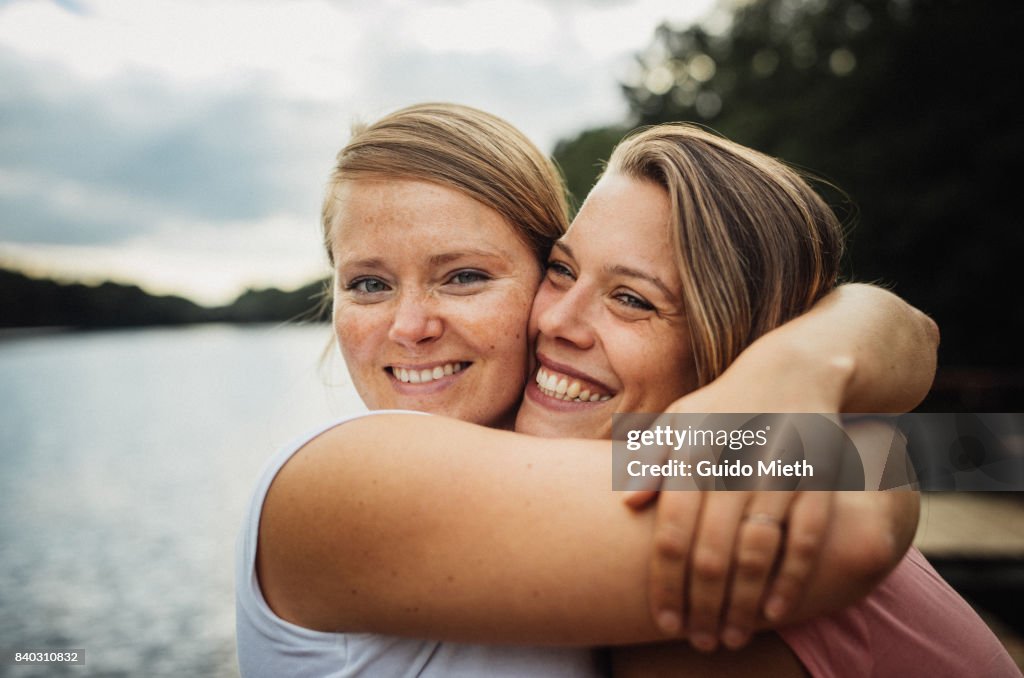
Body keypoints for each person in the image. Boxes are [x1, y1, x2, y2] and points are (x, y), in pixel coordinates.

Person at [236, 103, 940, 677]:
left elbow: (915, 348)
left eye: (465, 277)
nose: (410, 326)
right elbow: (861, 512)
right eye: (367, 284)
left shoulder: (608, 462)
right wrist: (811, 372)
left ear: (533, 277)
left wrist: (801, 365)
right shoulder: (342, 475)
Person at [522, 123, 1020, 676]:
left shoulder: (708, 570)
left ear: (735, 346)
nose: (556, 320)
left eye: (633, 300)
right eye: (561, 270)